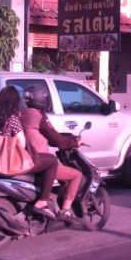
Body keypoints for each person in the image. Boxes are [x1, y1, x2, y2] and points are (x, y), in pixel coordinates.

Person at [0, 86, 58, 217]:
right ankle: (42, 201)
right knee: (52, 161)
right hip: (6, 163)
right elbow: (21, 143)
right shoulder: (11, 118)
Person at [20, 84, 84, 222]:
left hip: (23, 159)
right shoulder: (39, 116)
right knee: (76, 175)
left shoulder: (22, 114)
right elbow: (55, 138)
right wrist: (74, 143)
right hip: (40, 161)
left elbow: (47, 137)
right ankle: (65, 210)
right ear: (42, 99)